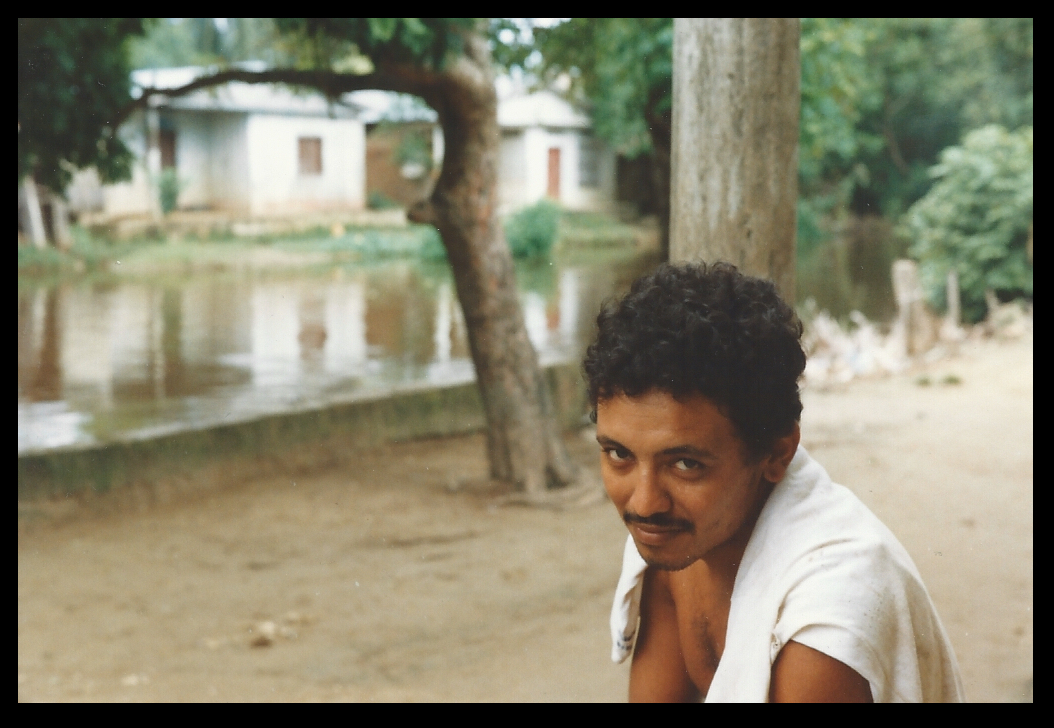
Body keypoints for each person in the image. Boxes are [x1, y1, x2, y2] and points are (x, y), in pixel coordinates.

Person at [583, 262, 964, 702]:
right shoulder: (679, 539)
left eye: (685, 464)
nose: (645, 502)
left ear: (777, 454)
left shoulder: (827, 619)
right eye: (619, 454)